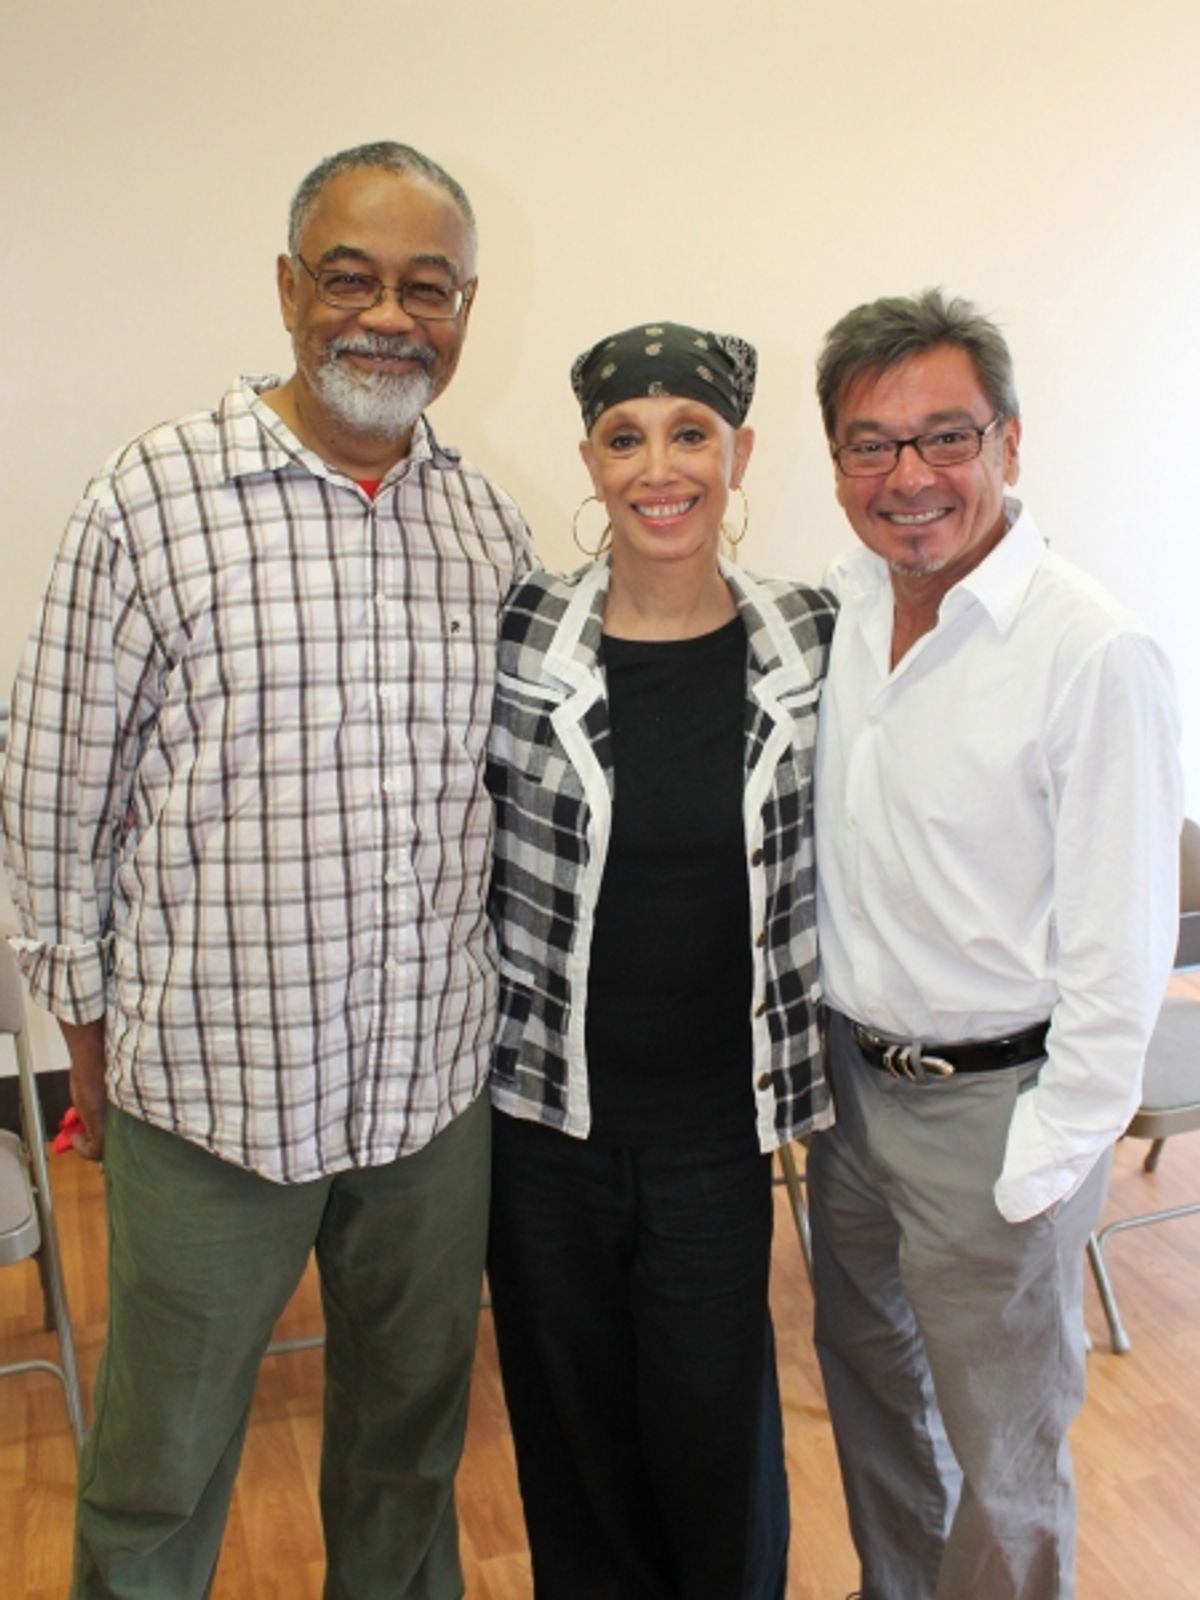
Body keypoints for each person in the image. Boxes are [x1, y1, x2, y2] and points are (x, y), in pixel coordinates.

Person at [0, 140, 533, 1600]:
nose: (386, 315)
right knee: (159, 1473)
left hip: (428, 1094)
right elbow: (52, 809)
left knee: (409, 1451)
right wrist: (90, 1055)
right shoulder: (149, 501)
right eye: (349, 277)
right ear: (287, 287)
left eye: (426, 286)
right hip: (209, 1100)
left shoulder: (488, 531)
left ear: (467, 309)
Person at [807, 287, 1182, 1600]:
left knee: (1006, 1463)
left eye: (946, 437)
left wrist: (1050, 1159)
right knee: (876, 1415)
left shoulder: (1092, 652)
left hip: (998, 1114)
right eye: (871, 443)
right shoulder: (842, 614)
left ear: (1011, 443)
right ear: (836, 461)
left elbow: (1121, 949)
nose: (909, 477)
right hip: (851, 1098)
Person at [485, 320, 837, 1600]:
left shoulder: (809, 639)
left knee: (714, 1441)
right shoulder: (525, 637)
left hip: (714, 1132)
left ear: (738, 451)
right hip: (542, 1120)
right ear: (589, 458)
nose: (658, 467)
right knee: (571, 1440)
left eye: (690, 433)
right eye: (625, 439)